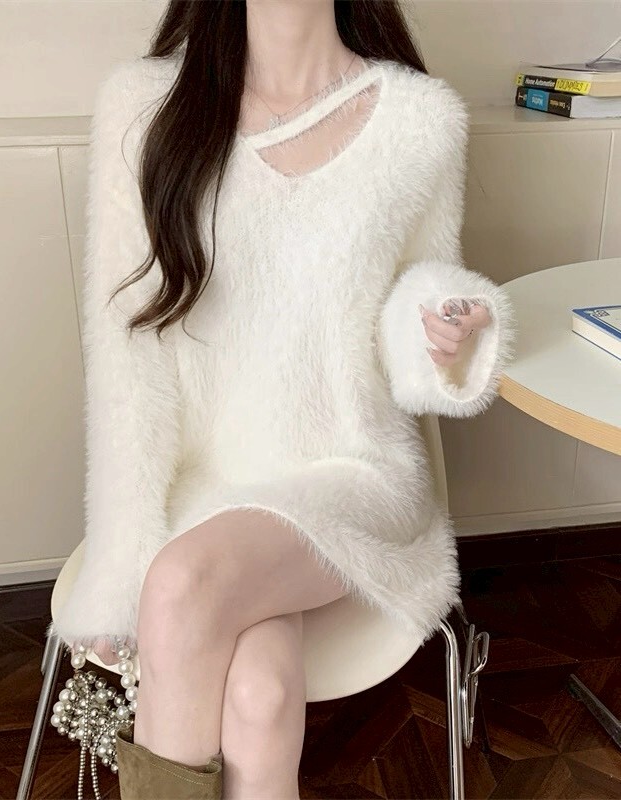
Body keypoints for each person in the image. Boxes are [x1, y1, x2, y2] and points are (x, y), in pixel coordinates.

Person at [49, 1, 516, 798]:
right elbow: (126, 362)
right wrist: (121, 564)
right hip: (205, 484)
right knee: (259, 697)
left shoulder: (418, 120)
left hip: (349, 473)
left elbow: (412, 303)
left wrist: (448, 326)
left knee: (185, 587)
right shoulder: (144, 105)